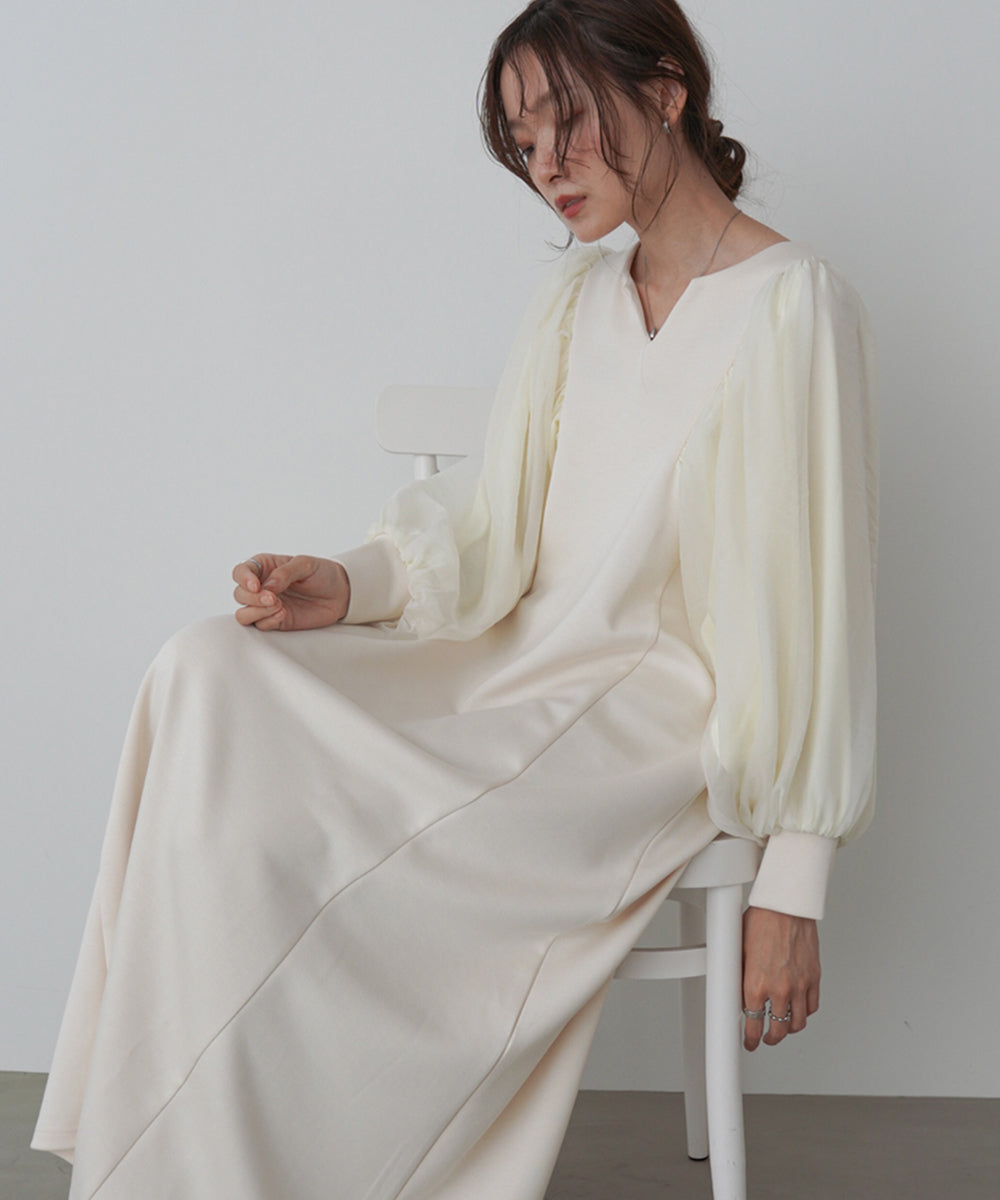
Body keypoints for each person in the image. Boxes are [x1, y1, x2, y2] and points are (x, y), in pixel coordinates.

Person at [32, 0, 879, 1196]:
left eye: (567, 122)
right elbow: (495, 525)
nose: (546, 166)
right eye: (523, 142)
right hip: (512, 665)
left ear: (666, 90)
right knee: (204, 666)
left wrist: (794, 884)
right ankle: (197, 1145)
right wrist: (354, 583)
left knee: (354, 828)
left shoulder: (794, 304)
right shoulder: (575, 303)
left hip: (650, 725)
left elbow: (820, 610)